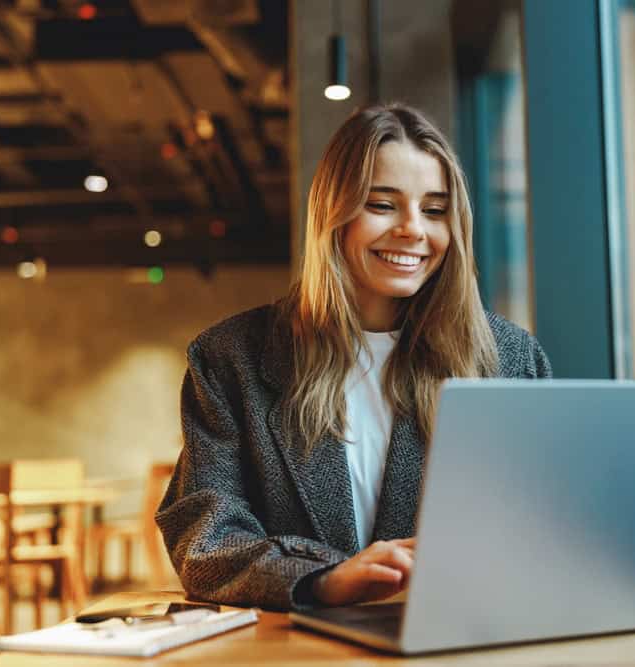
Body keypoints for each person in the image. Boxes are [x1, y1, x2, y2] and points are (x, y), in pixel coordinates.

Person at [156, 103, 551, 611]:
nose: (413, 229)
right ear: (333, 215)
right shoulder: (231, 359)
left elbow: (541, 527)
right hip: (298, 652)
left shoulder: (512, 360)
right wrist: (322, 579)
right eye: (382, 204)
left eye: (434, 210)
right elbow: (204, 539)